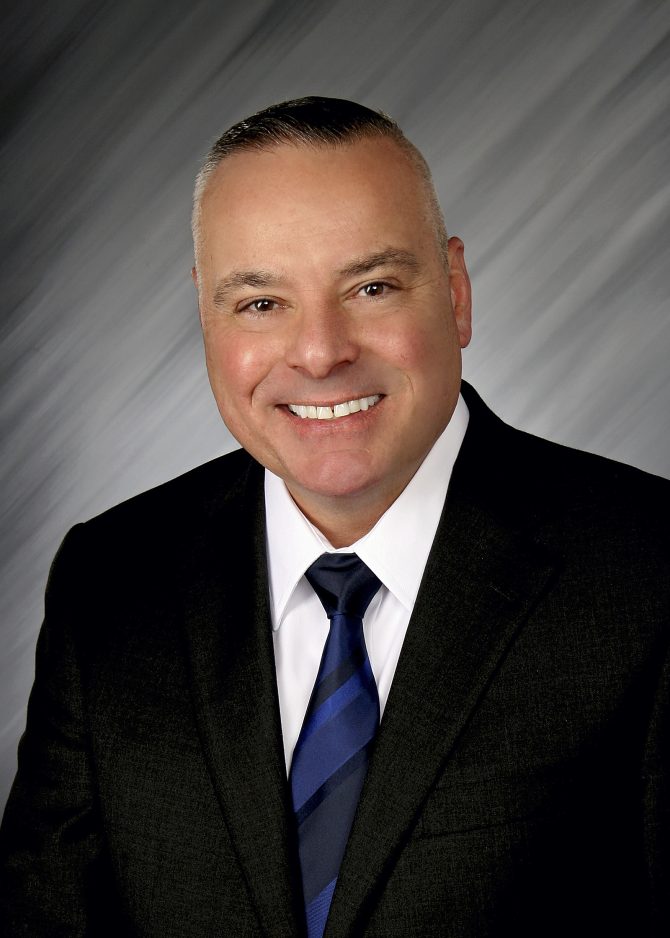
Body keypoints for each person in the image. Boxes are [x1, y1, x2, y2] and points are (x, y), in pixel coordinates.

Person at [0, 96, 668, 938]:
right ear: (206, 315)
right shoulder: (110, 583)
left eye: (372, 287)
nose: (320, 352)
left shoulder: (647, 574)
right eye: (260, 302)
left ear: (456, 294)